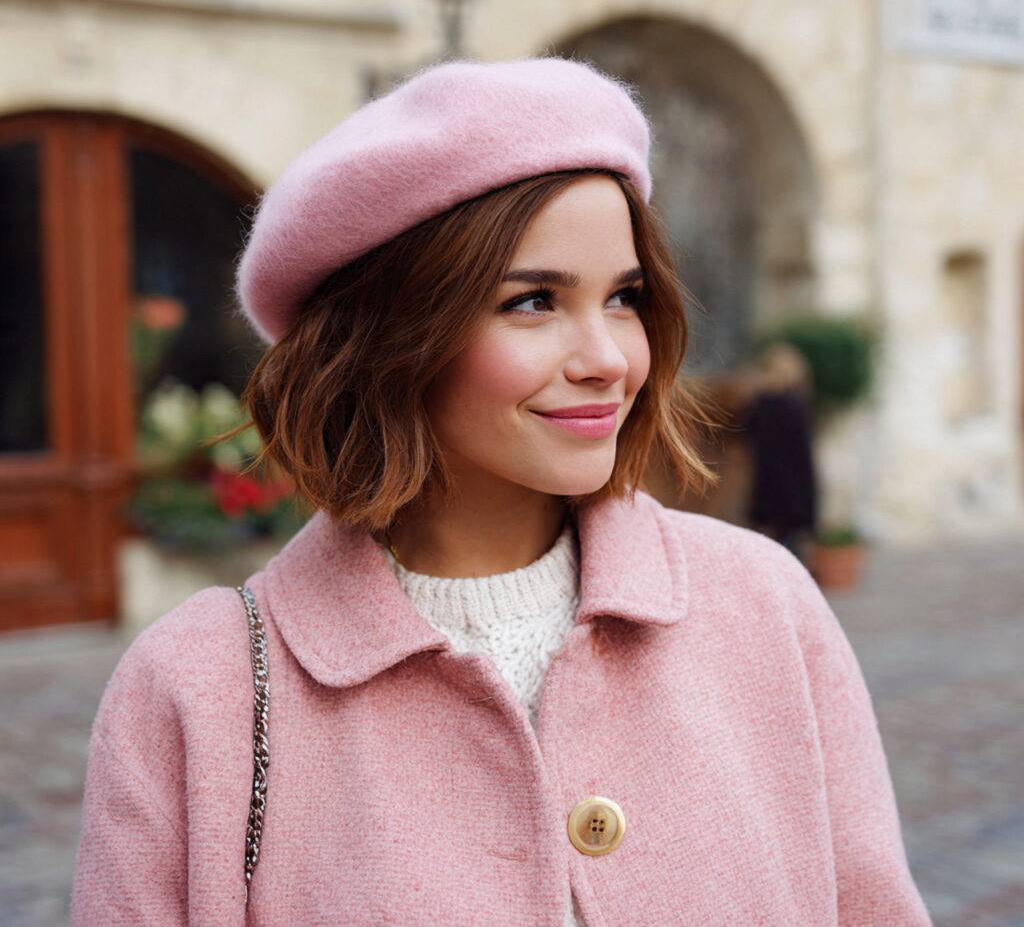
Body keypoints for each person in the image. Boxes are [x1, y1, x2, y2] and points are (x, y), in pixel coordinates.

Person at [71, 58, 931, 926]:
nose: (607, 357)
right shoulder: (196, 687)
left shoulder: (764, 604)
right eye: (532, 303)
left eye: (625, 297)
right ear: (392, 337)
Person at [746, 342, 819, 561]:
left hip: (772, 486)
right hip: (786, 488)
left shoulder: (763, 405)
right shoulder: (792, 406)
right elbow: (802, 455)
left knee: (774, 544)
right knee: (785, 547)